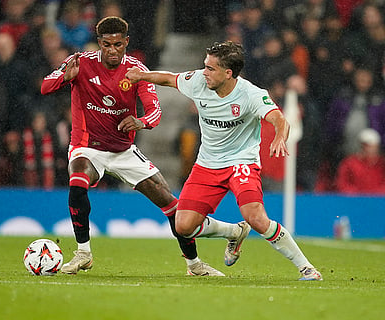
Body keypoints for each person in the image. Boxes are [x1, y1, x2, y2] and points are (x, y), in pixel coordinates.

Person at [41, 16, 249, 276]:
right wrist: (63, 78)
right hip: (87, 146)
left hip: (124, 151)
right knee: (78, 179)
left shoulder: (136, 70)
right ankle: (83, 253)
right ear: (99, 43)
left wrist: (140, 122)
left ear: (126, 42)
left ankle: (196, 263)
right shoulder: (80, 62)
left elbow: (155, 111)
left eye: (118, 44)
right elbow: (44, 86)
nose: (112, 50)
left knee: (173, 206)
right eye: (106, 44)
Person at [125, 40, 322, 280]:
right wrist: (141, 76)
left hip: (241, 162)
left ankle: (307, 268)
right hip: (207, 164)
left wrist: (280, 136)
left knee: (256, 217)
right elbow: (168, 78)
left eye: (210, 68)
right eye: (205, 66)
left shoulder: (251, 94)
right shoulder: (198, 81)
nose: (203, 72)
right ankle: (234, 232)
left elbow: (279, 119)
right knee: (183, 226)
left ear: (228, 73)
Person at [335, 128, 385, 195]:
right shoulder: (349, 163)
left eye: (373, 146)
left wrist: (374, 194)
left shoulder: (382, 164)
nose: (370, 150)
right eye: (367, 146)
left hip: (378, 202)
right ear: (361, 146)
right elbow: (342, 185)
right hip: (354, 202)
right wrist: (359, 194)